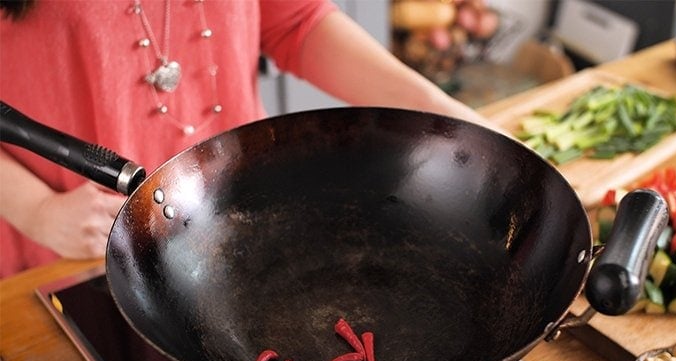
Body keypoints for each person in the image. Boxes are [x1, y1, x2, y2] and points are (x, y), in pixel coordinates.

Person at [0, 0, 501, 278]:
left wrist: (442, 114)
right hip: (72, 249)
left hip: (240, 221)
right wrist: (36, 209)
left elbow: (296, 21)